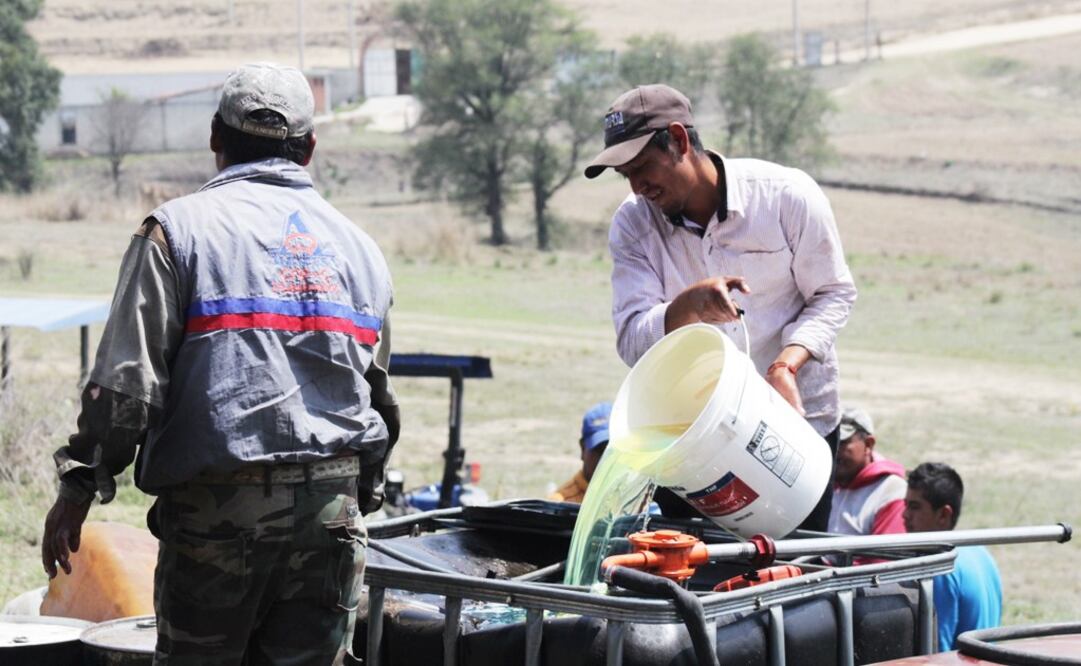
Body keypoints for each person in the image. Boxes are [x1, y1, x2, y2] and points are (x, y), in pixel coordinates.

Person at [41, 62, 398, 665]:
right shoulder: (361, 248)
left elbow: (126, 387)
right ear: (309, 148)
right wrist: (361, 492)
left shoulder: (174, 233)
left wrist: (80, 485)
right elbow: (376, 391)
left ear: (215, 137)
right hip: (332, 513)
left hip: (217, 515)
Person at [585, 84, 857, 530]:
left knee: (791, 575)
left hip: (792, 432)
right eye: (624, 174)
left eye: (643, 167)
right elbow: (634, 339)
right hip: (692, 444)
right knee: (697, 582)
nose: (637, 186)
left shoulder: (785, 196)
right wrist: (687, 307)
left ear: (680, 139)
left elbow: (833, 293)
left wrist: (787, 365)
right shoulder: (633, 224)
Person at [904, 462, 1003, 652]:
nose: (904, 515)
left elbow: (936, 651)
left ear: (943, 515)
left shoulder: (941, 566)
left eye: (915, 507)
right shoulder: (981, 552)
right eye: (906, 505)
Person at [828, 406, 906, 536]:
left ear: (868, 445)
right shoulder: (824, 484)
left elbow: (883, 554)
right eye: (830, 441)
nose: (833, 449)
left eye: (841, 442)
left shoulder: (891, 491)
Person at [549, 402, 611, 503]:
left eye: (610, 451)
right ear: (582, 448)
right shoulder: (561, 503)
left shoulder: (634, 498)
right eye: (599, 450)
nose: (604, 459)